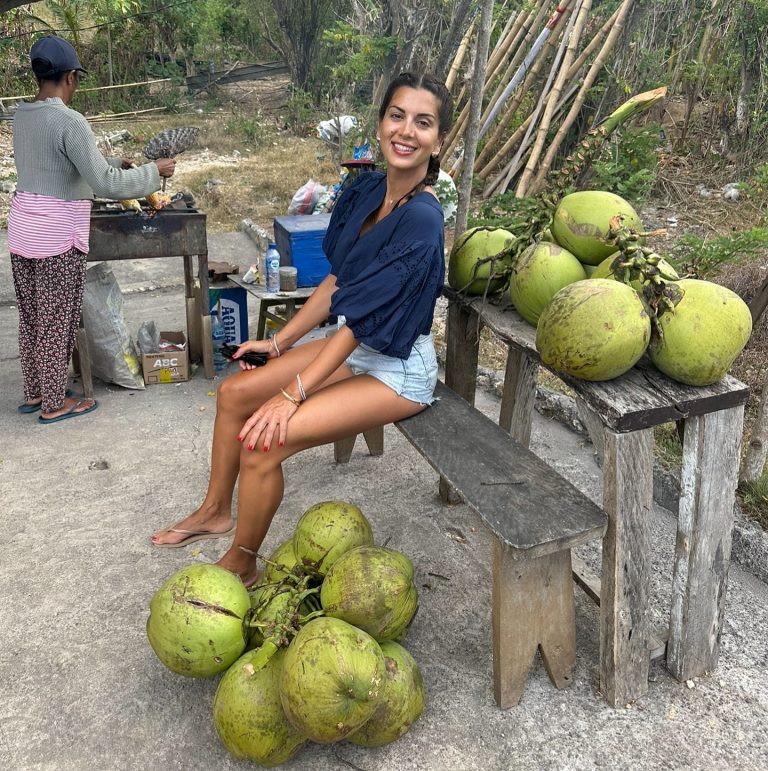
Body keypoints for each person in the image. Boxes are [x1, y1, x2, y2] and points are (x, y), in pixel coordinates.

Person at [151, 72, 453, 586]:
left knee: (263, 442)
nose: (406, 131)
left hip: (397, 368)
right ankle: (215, 511)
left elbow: (359, 323)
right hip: (353, 348)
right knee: (235, 392)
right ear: (380, 123)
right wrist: (278, 341)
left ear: (438, 140)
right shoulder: (367, 191)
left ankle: (242, 564)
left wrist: (292, 394)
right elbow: (339, 281)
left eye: (423, 123)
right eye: (397, 116)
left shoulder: (422, 219)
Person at [9, 35, 175, 423]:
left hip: (23, 231)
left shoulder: (23, 115)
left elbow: (61, 164)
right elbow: (106, 185)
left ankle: (37, 391)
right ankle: (54, 405)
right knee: (57, 320)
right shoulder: (69, 120)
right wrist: (154, 173)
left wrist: (117, 160)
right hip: (55, 236)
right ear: (70, 78)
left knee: (34, 317)